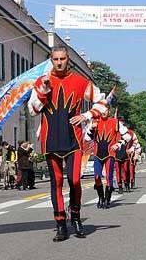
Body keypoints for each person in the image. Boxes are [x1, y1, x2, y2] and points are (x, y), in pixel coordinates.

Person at [28, 45, 105, 242]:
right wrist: (44, 91)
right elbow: (33, 109)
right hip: (50, 139)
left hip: (74, 140)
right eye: (56, 59)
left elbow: (102, 103)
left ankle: (76, 217)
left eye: (63, 58)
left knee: (75, 180)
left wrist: (86, 115)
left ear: (68, 59)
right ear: (51, 60)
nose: (60, 62)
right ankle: (60, 223)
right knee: (56, 183)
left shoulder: (81, 82)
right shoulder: (42, 82)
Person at [86, 96, 131, 209]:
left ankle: (107, 199)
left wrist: (119, 144)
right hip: (97, 154)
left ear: (109, 110)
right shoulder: (94, 122)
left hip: (110, 154)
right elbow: (87, 138)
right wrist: (92, 128)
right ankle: (100, 197)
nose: (104, 112)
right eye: (101, 110)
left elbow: (128, 136)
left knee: (109, 178)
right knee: (96, 177)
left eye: (105, 109)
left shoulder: (115, 122)